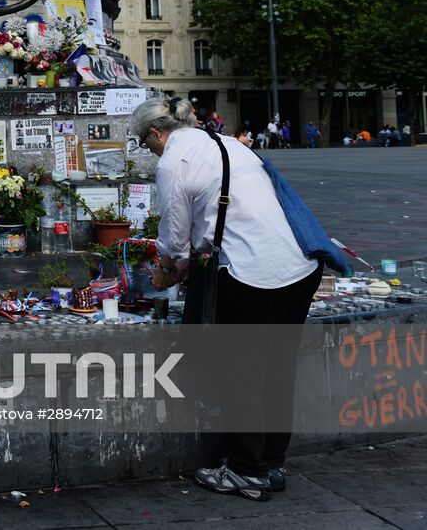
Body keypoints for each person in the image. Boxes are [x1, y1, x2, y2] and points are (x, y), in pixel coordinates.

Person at [137, 96, 321, 501]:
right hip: (299, 267)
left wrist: (165, 271)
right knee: (277, 370)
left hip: (252, 274)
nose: (148, 152)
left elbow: (174, 238)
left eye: (143, 143)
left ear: (155, 133)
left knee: (242, 376)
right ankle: (271, 463)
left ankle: (246, 472)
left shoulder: (173, 162)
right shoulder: (228, 143)